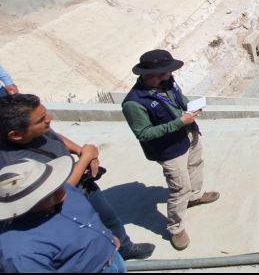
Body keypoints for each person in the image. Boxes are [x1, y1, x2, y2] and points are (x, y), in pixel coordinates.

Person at [0, 94, 155, 261]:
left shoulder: (37, 129)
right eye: (41, 120)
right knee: (88, 229)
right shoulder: (14, 165)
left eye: (45, 114)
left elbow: (55, 136)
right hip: (62, 203)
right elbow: (58, 191)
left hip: (83, 183)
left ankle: (125, 248)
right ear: (15, 135)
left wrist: (80, 150)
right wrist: (86, 158)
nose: (49, 119)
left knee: (109, 218)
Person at [121, 49, 219, 251]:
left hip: (188, 135)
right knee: (178, 188)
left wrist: (189, 107)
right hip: (169, 149)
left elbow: (179, 98)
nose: (171, 74)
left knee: (195, 165)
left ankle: (195, 196)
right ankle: (176, 228)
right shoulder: (134, 103)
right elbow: (144, 133)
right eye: (167, 72)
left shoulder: (168, 83)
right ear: (151, 75)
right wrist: (178, 122)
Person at [0, 157, 126, 273]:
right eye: (48, 189)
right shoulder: (20, 252)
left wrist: (107, 237)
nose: (59, 185)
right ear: (28, 204)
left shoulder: (63, 191)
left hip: (114, 258)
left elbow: (87, 219)